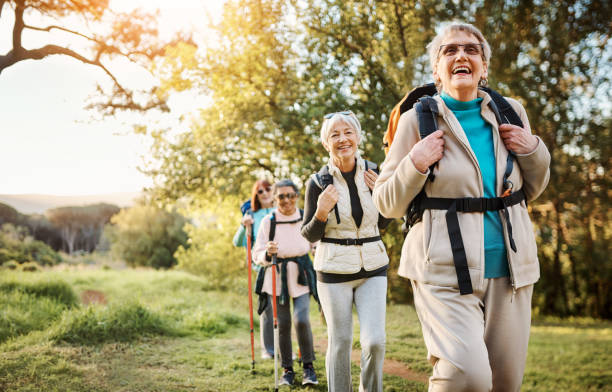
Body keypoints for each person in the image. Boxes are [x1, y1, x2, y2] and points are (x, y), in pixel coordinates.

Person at [373, 22, 551, 392]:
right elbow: (387, 204)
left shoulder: (510, 111)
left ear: (483, 67)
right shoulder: (415, 121)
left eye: (471, 50)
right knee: (466, 377)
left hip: (512, 269)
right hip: (442, 269)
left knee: (504, 383)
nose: (461, 56)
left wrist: (533, 150)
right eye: (449, 50)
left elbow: (531, 190)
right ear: (437, 70)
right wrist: (415, 162)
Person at [301, 111, 392, 392]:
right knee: (340, 343)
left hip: (373, 267)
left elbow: (383, 223)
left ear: (358, 137)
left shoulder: (375, 172)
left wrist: (383, 196)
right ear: (326, 144)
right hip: (333, 272)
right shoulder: (317, 182)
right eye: (335, 135)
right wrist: (321, 212)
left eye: (348, 132)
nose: (343, 139)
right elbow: (309, 234)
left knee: (375, 341)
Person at [252, 179, 319, 386]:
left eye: (290, 195)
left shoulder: (306, 217)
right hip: (277, 276)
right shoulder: (269, 221)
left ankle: (308, 367)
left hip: (301, 274)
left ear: (297, 196)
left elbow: (316, 243)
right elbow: (257, 253)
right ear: (275, 198)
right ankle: (287, 370)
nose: (286, 200)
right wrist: (267, 252)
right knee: (283, 324)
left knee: (301, 319)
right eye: (281, 196)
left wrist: (318, 252)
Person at [233, 179, 275, 359]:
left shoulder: (280, 211)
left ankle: (285, 348)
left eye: (267, 189)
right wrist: (244, 226)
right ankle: (268, 349)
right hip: (263, 267)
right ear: (256, 195)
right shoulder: (252, 215)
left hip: (284, 265)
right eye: (260, 191)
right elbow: (238, 242)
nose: (265, 193)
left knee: (283, 309)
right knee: (267, 309)